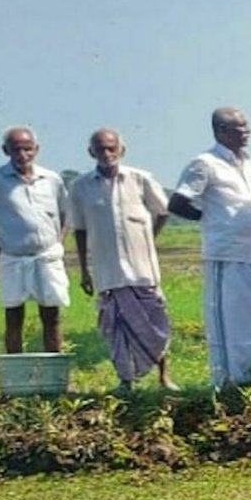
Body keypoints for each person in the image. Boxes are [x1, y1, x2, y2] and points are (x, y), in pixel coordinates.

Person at [169, 107, 251, 388]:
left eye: (246, 126)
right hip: (226, 253)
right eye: (239, 127)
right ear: (221, 131)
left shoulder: (249, 161)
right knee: (230, 320)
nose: (246, 132)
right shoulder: (204, 163)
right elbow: (178, 202)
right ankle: (228, 381)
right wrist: (212, 219)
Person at [67, 128, 175, 390]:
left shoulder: (140, 179)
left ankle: (164, 377)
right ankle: (125, 380)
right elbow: (79, 230)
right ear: (91, 152)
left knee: (155, 322)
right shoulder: (80, 187)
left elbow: (163, 211)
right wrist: (83, 271)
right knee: (117, 328)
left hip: (143, 269)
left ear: (121, 150)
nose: (106, 153)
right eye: (100, 149)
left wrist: (149, 238)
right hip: (108, 271)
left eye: (111, 148)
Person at [0, 127, 71, 354]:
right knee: (13, 317)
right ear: (5, 150)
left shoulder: (51, 179)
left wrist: (60, 241)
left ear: (36, 150)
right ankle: (15, 376)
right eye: (16, 149)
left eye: (27, 149)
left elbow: (68, 212)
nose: (22, 155)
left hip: (47, 256)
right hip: (12, 257)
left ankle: (55, 376)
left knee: (51, 316)